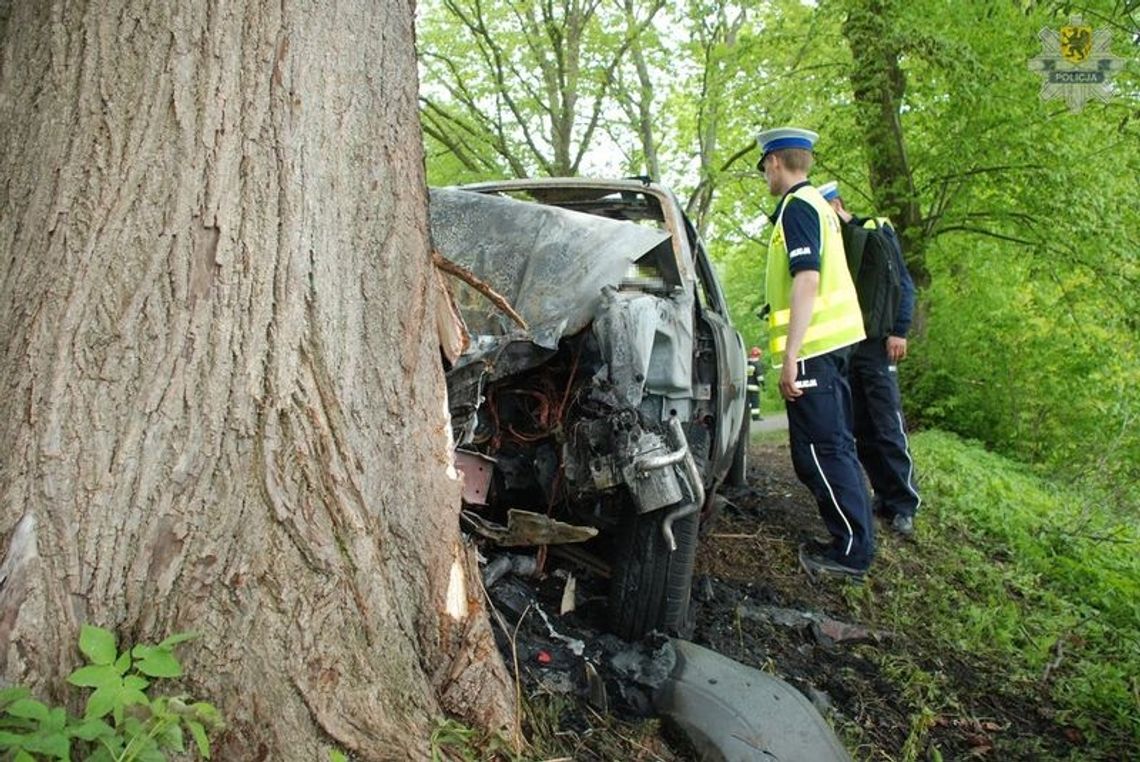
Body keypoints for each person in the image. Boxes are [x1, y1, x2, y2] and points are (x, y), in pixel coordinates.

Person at [756, 128, 875, 580]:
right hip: (832, 346)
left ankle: (851, 553)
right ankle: (853, 541)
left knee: (820, 453)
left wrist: (791, 356)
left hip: (814, 350)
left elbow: (806, 279)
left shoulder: (797, 208)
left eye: (764, 168)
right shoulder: (820, 208)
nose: (765, 176)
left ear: (774, 163)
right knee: (834, 448)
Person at [819, 181, 921, 537]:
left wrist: (900, 330)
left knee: (887, 426)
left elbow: (904, 285)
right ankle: (883, 495)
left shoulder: (874, 232)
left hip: (879, 344)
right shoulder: (833, 247)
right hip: (848, 346)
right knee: (860, 428)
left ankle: (904, 504)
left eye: (827, 208)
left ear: (838, 204)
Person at [746, 347, 764, 421]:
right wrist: (763, 384)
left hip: (746, 386)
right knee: (755, 402)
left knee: (748, 402)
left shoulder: (746, 363)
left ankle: (746, 416)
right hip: (754, 387)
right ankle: (755, 417)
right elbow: (759, 377)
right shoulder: (757, 364)